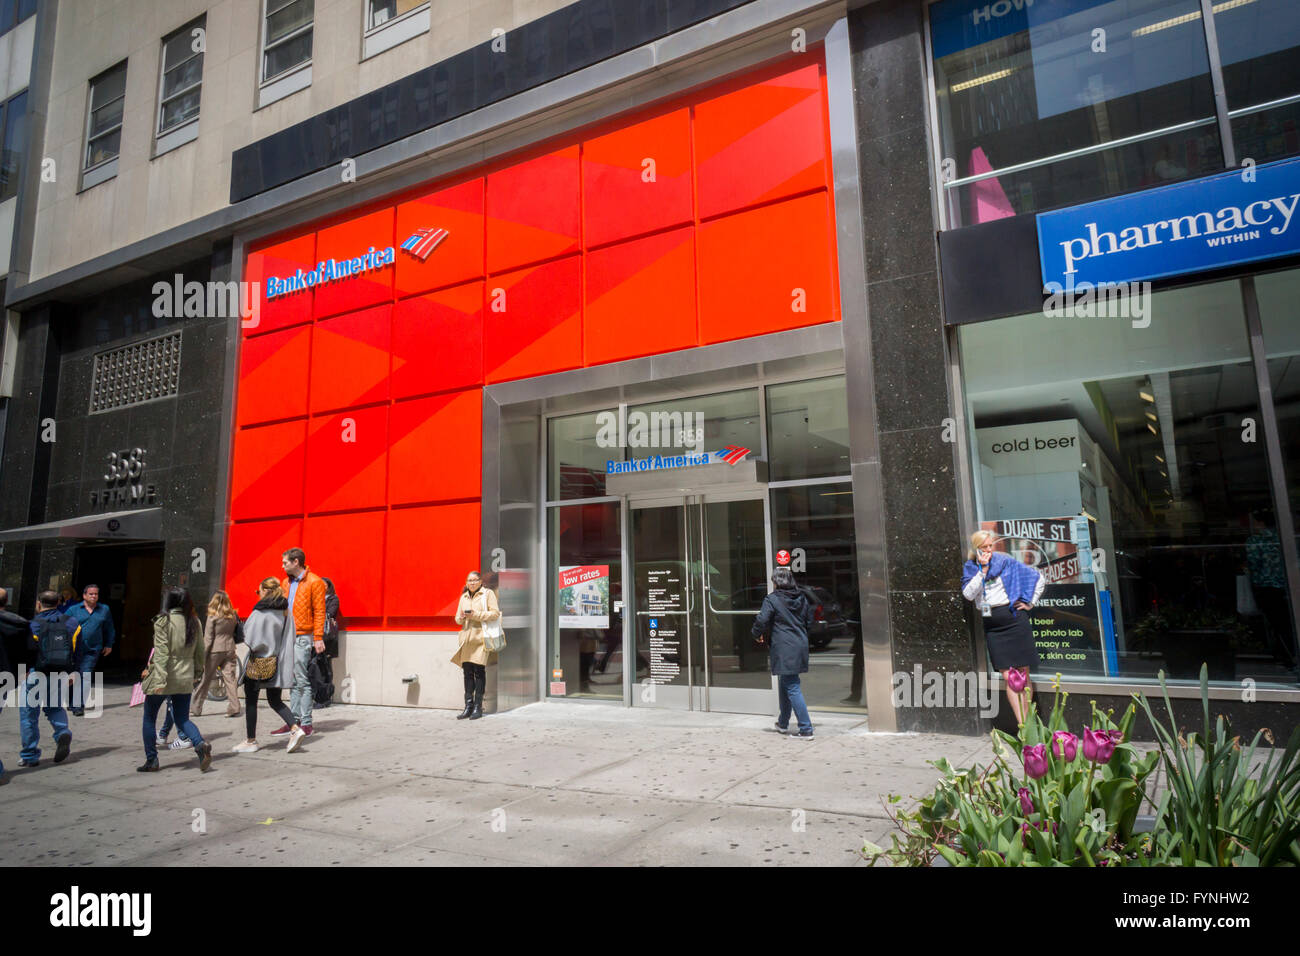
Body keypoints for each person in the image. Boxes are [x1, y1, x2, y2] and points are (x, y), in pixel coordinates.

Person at [961, 530, 1044, 725]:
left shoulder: (1005, 561)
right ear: (976, 549)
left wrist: (1030, 602)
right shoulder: (971, 567)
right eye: (984, 547)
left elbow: (1037, 578)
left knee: (1023, 673)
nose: (989, 550)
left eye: (990, 546)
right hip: (994, 626)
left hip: (1015, 620)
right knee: (1009, 677)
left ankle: (1028, 722)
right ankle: (1021, 724)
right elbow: (968, 594)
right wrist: (982, 571)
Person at [138, 587, 211, 772]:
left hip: (165, 676)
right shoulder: (194, 621)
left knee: (149, 718)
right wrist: (197, 673)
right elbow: (200, 652)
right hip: (185, 677)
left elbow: (161, 653)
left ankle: (152, 760)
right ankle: (200, 744)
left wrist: (160, 680)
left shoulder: (163, 620)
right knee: (182, 718)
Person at [233, 578, 306, 754]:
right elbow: (291, 636)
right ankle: (295, 728)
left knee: (251, 701)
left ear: (265, 591)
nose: (258, 595)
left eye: (258, 592)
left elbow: (250, 639)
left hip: (259, 662)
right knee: (275, 700)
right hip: (278, 663)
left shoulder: (260, 612)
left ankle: (251, 741)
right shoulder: (286, 612)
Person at [752, 567, 815, 739]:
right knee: (785, 682)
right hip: (799, 644)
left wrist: (756, 634)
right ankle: (783, 722)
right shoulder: (802, 598)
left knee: (792, 685)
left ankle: (806, 728)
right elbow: (809, 621)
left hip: (784, 646)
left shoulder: (772, 599)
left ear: (777, 582)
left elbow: (762, 620)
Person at [19, 591, 79, 767]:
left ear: (39, 604)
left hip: (35, 673)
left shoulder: (33, 624)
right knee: (54, 706)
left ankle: (30, 755)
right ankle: (62, 732)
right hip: (60, 673)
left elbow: (27, 650)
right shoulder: (72, 622)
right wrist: (72, 672)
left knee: (29, 714)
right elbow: (77, 650)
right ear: (59, 602)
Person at [276, 548, 327, 738]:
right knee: (293, 679)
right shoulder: (285, 583)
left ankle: (306, 723)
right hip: (287, 636)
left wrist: (318, 637)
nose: (282, 566)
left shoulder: (315, 582)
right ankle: (293, 721)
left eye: (285, 563)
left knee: (302, 679)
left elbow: (320, 611)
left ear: (296, 562)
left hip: (303, 635)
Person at [452, 570, 500, 721]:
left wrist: (475, 615)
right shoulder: (464, 597)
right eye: (469, 580)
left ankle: (478, 707)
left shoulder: (487, 594)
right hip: (466, 639)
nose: (471, 583)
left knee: (479, 671)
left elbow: (495, 614)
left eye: (474, 580)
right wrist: (460, 618)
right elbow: (457, 619)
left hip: (480, 638)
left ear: (480, 581)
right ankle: (468, 706)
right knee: (467, 672)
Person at [67, 584, 116, 716]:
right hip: (74, 649)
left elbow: (109, 628)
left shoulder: (104, 609)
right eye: (91, 594)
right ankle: (71, 702)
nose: (94, 596)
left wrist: (109, 644)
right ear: (84, 595)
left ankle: (78, 705)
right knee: (74, 676)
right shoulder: (73, 610)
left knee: (85, 675)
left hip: (93, 649)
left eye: (96, 594)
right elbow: (63, 626)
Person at [192, 590, 241, 718]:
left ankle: (196, 707)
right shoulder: (233, 615)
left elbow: (208, 638)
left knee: (206, 679)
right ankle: (234, 707)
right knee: (230, 679)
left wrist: (203, 656)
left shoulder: (213, 616)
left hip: (215, 650)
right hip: (230, 648)